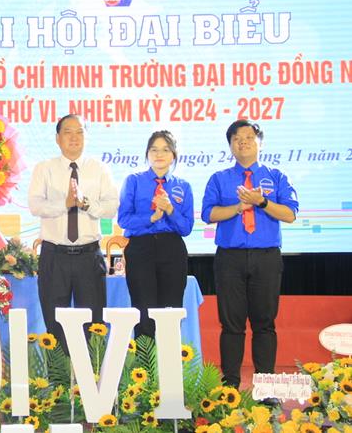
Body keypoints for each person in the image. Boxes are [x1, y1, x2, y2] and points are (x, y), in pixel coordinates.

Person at [202, 120, 298, 389]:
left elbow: (290, 214)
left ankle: (265, 386)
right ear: (230, 146)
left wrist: (261, 202)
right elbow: (208, 214)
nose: (242, 142)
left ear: (260, 143)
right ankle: (230, 387)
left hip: (266, 258)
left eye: (248, 137)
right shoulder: (219, 178)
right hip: (229, 259)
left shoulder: (276, 176)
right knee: (231, 325)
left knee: (264, 324)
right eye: (236, 138)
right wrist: (238, 207)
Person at [28, 114, 119, 352]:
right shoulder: (44, 168)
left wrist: (86, 204)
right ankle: (58, 374)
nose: (74, 137)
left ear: (86, 137)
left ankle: (91, 373)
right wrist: (65, 204)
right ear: (57, 138)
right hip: (54, 255)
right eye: (67, 132)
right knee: (54, 324)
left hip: (89, 256)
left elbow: (111, 207)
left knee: (93, 323)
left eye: (79, 132)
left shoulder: (99, 169)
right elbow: (35, 205)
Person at [118, 130, 194, 340]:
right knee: (143, 311)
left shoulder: (183, 186)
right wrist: (151, 218)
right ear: (147, 154)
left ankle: (168, 360)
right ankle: (145, 360)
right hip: (141, 248)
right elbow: (124, 220)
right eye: (154, 150)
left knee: (170, 312)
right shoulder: (133, 181)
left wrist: (170, 210)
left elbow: (186, 228)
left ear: (173, 155)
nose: (159, 155)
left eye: (165, 150)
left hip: (172, 249)